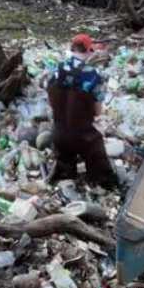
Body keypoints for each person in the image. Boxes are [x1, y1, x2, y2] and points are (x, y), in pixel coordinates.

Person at [46, 33, 118, 188]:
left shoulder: (56, 70)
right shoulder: (93, 75)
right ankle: (101, 184)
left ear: (72, 49)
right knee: (102, 176)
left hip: (59, 134)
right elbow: (97, 110)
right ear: (88, 50)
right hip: (84, 136)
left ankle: (65, 183)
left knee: (65, 176)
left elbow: (50, 98)